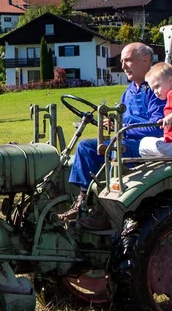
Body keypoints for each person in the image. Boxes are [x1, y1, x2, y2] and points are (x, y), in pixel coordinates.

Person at [59, 42, 166, 227]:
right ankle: (82, 201)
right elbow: (123, 119)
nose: (123, 66)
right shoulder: (130, 91)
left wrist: (123, 126)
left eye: (128, 60)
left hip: (145, 145)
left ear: (145, 60)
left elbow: (157, 127)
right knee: (86, 147)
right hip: (126, 139)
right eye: (122, 61)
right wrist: (112, 123)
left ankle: (106, 212)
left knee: (116, 148)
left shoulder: (156, 89)